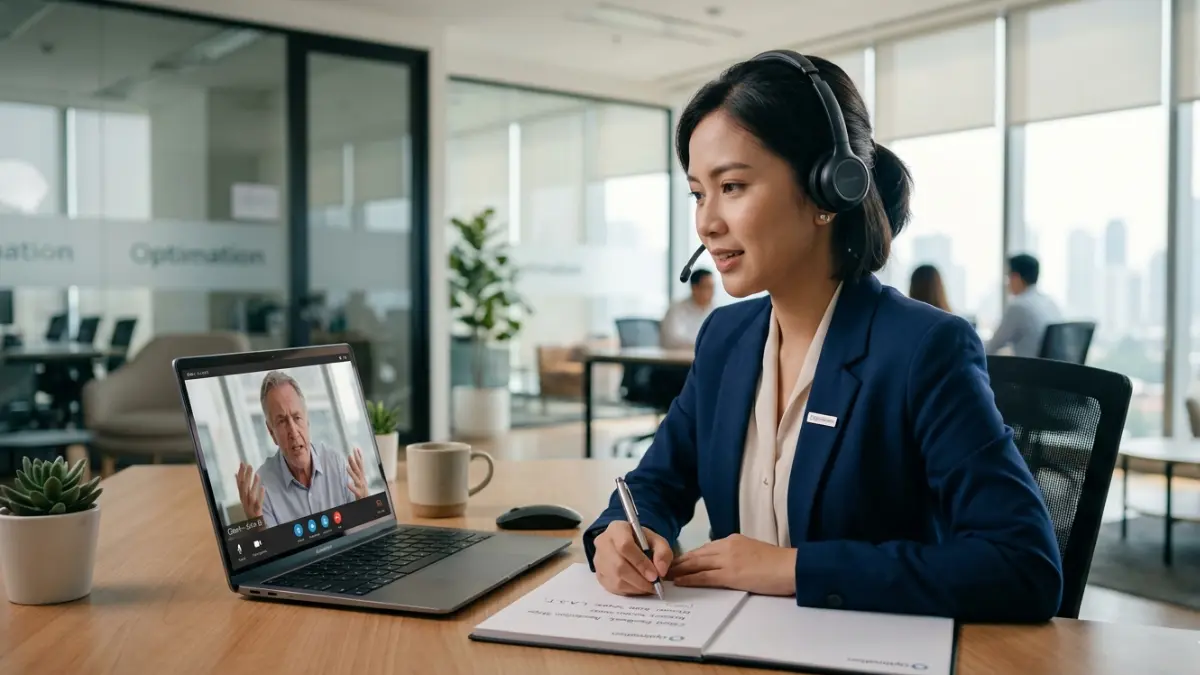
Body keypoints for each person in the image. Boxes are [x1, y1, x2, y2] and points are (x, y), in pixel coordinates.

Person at [583, 51, 1062, 623]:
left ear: (827, 191)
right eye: (697, 193)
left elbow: (1022, 566)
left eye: (732, 186)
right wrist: (620, 533)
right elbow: (652, 485)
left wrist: (792, 568)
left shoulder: (923, 350)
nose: (707, 222)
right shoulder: (727, 339)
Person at [235, 370, 370, 528]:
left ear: (307, 419)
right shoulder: (262, 489)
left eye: (297, 417)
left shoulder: (336, 464)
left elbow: (358, 532)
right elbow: (274, 551)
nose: (293, 431)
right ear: (271, 432)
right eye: (282, 421)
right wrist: (257, 528)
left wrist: (366, 508)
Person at [987, 254, 1062, 357]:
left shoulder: (1018, 307)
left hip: (1032, 371)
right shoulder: (1050, 302)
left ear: (1016, 277)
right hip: (1054, 370)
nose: (1007, 283)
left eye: (1008, 276)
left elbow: (991, 347)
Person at [661, 269, 716, 349]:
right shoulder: (676, 310)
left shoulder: (714, 311)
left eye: (713, 287)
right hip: (677, 359)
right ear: (695, 288)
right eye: (708, 287)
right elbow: (673, 341)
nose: (712, 292)